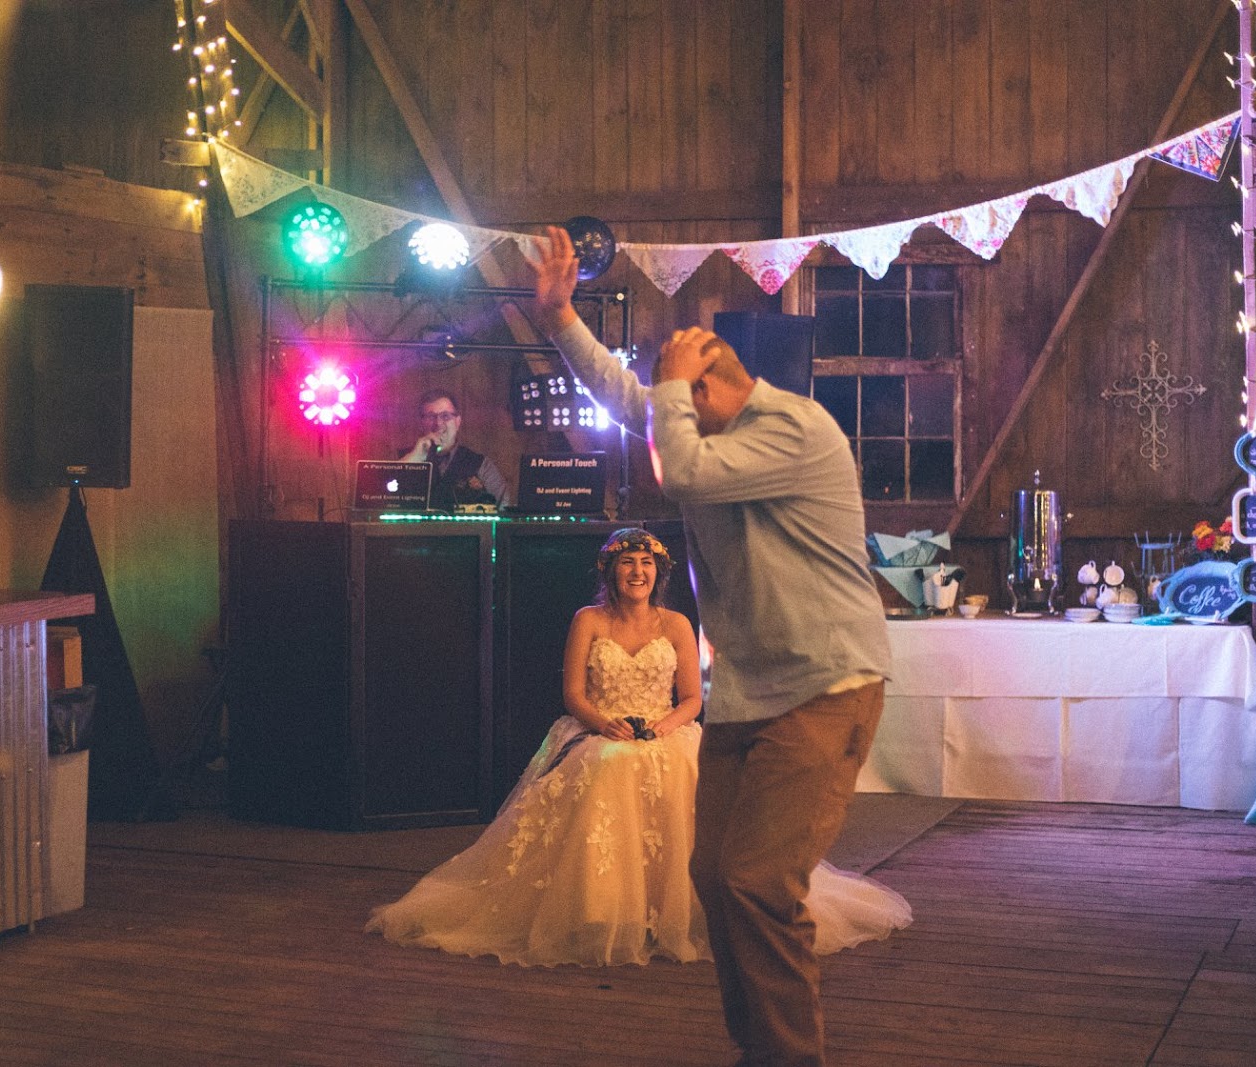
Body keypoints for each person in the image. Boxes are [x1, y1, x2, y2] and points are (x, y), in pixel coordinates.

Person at [528, 226, 894, 1065]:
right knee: (713, 876)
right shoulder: (698, 425)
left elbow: (681, 470)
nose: (664, 415)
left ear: (710, 387)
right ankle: (758, 1048)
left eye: (677, 397)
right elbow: (631, 402)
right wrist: (559, 319)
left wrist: (664, 393)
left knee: (759, 881)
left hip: (824, 686)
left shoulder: (794, 428)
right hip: (747, 693)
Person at [365, 529, 909, 969]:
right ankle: (606, 911)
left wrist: (664, 725)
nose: (638, 572)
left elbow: (693, 698)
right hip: (601, 731)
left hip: (665, 730)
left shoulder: (676, 624)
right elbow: (573, 693)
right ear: (611, 572)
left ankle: (677, 914)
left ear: (659, 574)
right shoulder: (588, 620)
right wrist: (605, 723)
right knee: (607, 772)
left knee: (689, 796)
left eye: (647, 564)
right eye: (628, 563)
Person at [398, 388, 513, 509]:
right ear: (421, 423)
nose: (438, 423)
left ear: (457, 422)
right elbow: (386, 497)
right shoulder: (404, 459)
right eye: (431, 417)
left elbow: (503, 508)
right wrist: (414, 458)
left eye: (445, 416)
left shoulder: (480, 464)